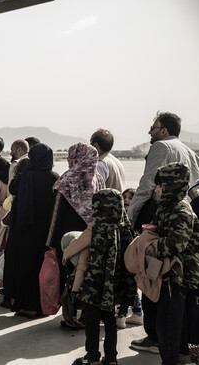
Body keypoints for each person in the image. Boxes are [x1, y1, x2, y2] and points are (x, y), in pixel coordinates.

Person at [129, 112, 199, 354]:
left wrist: (131, 216)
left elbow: (147, 183)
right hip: (187, 218)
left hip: (159, 213)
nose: (149, 131)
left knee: (153, 274)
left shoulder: (161, 146)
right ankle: (176, 341)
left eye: (153, 127)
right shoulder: (189, 151)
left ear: (163, 130)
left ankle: (156, 337)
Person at [72, 189, 137, 365]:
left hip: (94, 285)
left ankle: (92, 357)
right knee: (109, 321)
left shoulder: (97, 229)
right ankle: (111, 358)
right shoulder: (125, 229)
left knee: (92, 322)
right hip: (114, 286)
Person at [151, 163, 199, 365]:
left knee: (169, 326)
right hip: (167, 273)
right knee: (171, 323)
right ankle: (180, 357)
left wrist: (150, 245)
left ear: (172, 185)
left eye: (161, 185)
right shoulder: (166, 207)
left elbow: (175, 244)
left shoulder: (181, 210)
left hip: (177, 277)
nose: (157, 189)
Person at [48, 143, 105, 328]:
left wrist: (51, 241)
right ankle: (85, 316)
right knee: (87, 275)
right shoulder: (98, 178)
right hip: (90, 236)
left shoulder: (68, 179)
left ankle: (70, 316)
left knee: (70, 277)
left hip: (68, 238)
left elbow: (57, 212)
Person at [3, 143, 59, 317]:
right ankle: (41, 305)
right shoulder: (55, 177)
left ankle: (25, 304)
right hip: (46, 231)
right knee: (42, 268)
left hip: (25, 230)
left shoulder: (27, 176)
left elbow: (12, 190)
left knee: (24, 267)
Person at [116, 187, 143, 329]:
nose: (126, 200)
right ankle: (138, 312)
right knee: (130, 284)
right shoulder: (119, 216)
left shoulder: (134, 219)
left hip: (131, 259)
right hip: (124, 258)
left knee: (128, 284)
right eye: (124, 197)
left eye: (130, 198)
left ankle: (122, 315)